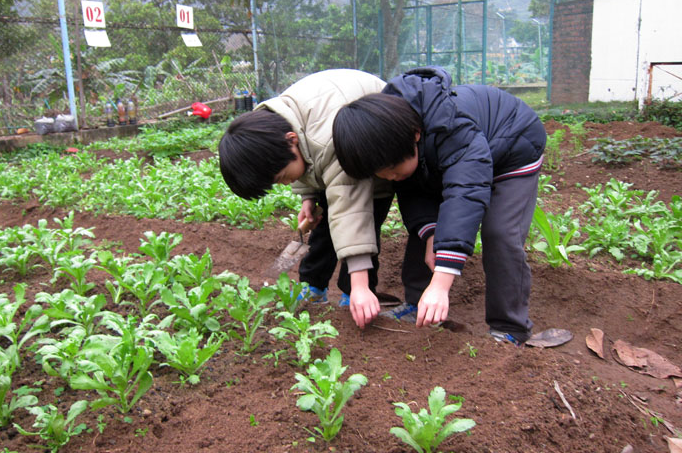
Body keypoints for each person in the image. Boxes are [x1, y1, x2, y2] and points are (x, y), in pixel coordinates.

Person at [332, 66, 546, 344]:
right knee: (425, 228)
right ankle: (418, 302)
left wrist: (441, 283)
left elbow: (465, 194)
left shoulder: (452, 126)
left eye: (393, 169)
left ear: (415, 134)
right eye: (382, 175)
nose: (390, 178)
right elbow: (414, 197)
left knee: (500, 232)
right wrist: (432, 233)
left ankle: (510, 327)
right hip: (444, 159)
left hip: (513, 145)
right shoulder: (391, 133)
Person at [218, 69, 395, 329]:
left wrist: (360, 285)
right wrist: (308, 197)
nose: (284, 183)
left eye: (281, 177)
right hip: (331, 148)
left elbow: (352, 214)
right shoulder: (277, 126)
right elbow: (303, 155)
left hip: (376, 151)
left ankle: (354, 293)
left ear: (291, 141)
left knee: (361, 223)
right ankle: (313, 285)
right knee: (325, 226)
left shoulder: (327, 141)